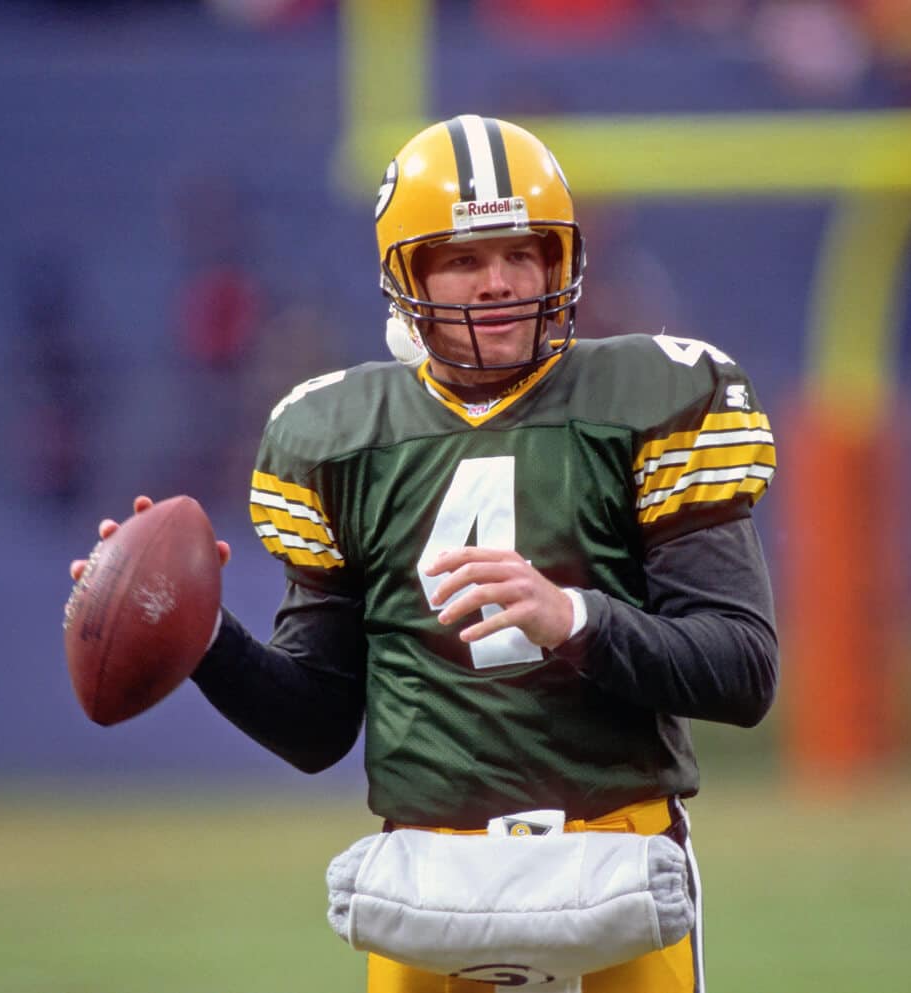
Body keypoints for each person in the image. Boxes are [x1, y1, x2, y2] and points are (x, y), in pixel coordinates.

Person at [70, 114, 779, 993]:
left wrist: (577, 618)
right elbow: (318, 724)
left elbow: (743, 670)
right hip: (426, 888)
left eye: (523, 252)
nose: (500, 282)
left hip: (614, 865)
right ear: (406, 276)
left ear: (563, 262)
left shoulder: (653, 397)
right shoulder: (338, 434)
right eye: (464, 259)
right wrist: (202, 637)